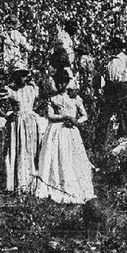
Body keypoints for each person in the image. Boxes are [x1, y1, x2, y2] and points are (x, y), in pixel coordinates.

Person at [34, 72, 94, 204]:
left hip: (71, 131)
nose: (61, 85)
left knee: (72, 157)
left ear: (67, 83)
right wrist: (66, 117)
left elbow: (84, 115)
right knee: (56, 157)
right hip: (56, 130)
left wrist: (76, 121)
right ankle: (56, 185)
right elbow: (50, 116)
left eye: (64, 82)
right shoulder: (52, 98)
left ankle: (74, 186)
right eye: (58, 82)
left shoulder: (74, 98)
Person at [0, 69, 41, 194]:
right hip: (18, 123)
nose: (25, 78)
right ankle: (18, 183)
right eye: (21, 76)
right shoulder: (10, 90)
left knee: (31, 150)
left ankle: (32, 183)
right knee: (19, 150)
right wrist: (4, 115)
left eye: (25, 75)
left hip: (31, 121)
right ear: (15, 77)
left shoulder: (32, 88)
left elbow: (38, 95)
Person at [94, 36, 127, 148]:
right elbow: (101, 78)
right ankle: (99, 147)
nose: (112, 50)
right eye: (111, 48)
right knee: (103, 120)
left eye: (114, 48)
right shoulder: (107, 61)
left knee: (124, 120)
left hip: (123, 91)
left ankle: (122, 148)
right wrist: (100, 90)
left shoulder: (126, 60)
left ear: (118, 48)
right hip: (110, 91)